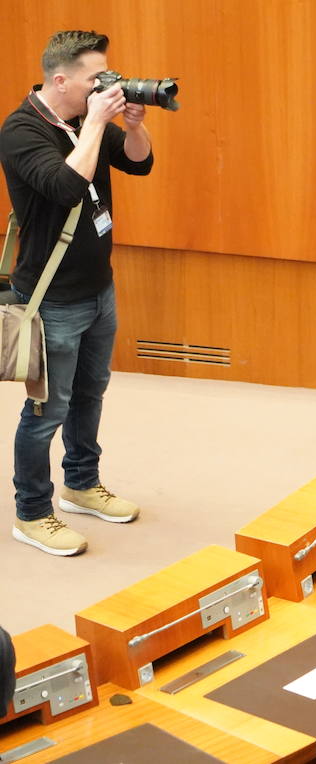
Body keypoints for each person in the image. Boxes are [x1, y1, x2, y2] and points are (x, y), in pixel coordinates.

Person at [1, 30, 154, 558]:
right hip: (53, 298)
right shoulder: (22, 131)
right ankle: (32, 513)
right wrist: (94, 123)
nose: (104, 85)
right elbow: (67, 187)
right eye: (95, 78)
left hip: (98, 288)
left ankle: (82, 485)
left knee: (91, 393)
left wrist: (133, 127)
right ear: (61, 80)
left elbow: (138, 163)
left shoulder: (81, 121)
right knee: (47, 410)